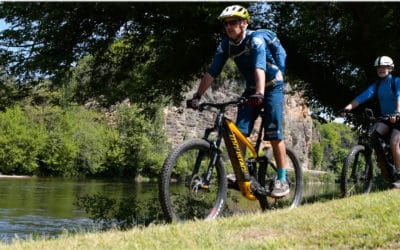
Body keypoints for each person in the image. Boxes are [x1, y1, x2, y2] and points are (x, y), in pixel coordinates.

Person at [187, 5, 289, 197]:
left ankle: (282, 179)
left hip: (272, 84)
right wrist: (197, 96)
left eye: (233, 22)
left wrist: (260, 92)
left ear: (244, 23)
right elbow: (212, 72)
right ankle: (241, 173)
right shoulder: (226, 45)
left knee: (274, 133)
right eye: (226, 23)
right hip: (252, 89)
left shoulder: (256, 40)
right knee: (239, 132)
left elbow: (260, 66)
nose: (228, 26)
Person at [341, 56, 400, 189]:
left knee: (394, 141)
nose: (381, 69)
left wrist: (397, 112)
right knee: (374, 135)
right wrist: (347, 108)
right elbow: (362, 97)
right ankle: (386, 168)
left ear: (390, 68)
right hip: (387, 117)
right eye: (379, 67)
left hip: (399, 116)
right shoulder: (377, 85)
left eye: (384, 67)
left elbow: (399, 96)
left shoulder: (396, 81)